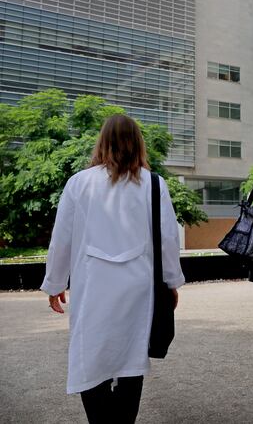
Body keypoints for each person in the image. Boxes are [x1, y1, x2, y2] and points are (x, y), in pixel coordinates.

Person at [41, 114, 184, 424]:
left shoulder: (79, 183)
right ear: (138, 144)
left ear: (102, 143)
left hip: (93, 286)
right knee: (132, 359)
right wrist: (172, 281)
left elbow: (61, 239)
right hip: (138, 288)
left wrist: (54, 284)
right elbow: (168, 239)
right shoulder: (154, 184)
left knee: (91, 357)